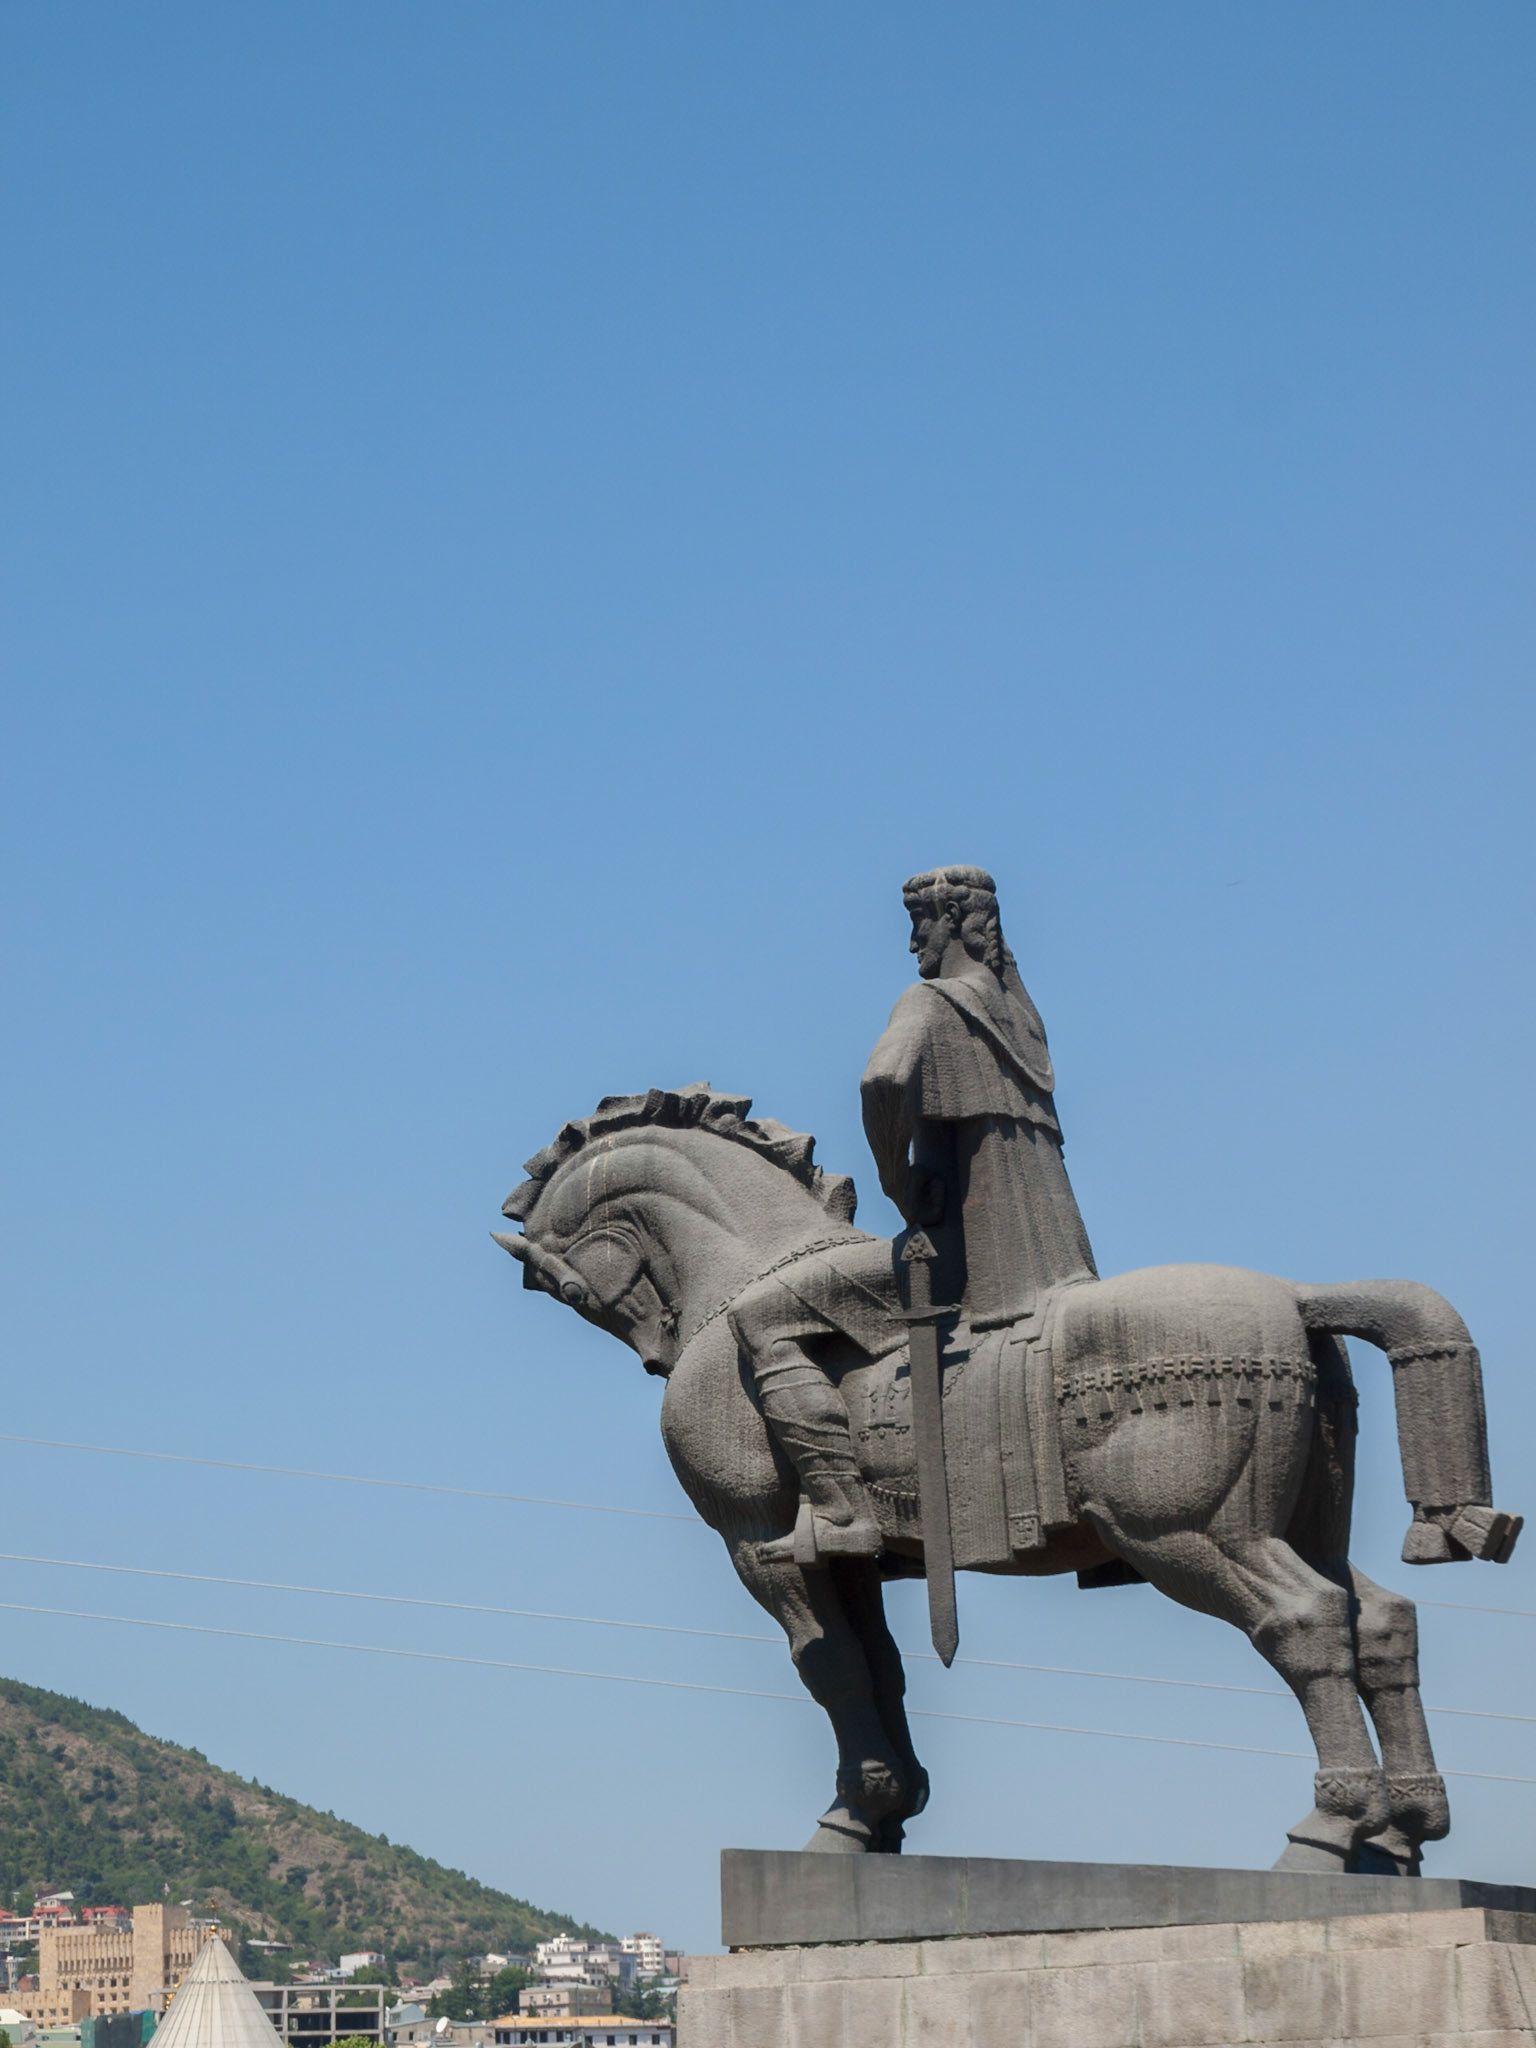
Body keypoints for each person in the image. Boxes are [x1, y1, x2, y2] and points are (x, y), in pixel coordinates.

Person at [861, 865, 1096, 1329]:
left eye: (917, 924)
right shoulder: (1022, 1018)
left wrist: (895, 1182)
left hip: (964, 1249)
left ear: (950, 916)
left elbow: (882, 1082)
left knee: (770, 1310)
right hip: (1056, 1253)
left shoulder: (930, 1000)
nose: (912, 943)